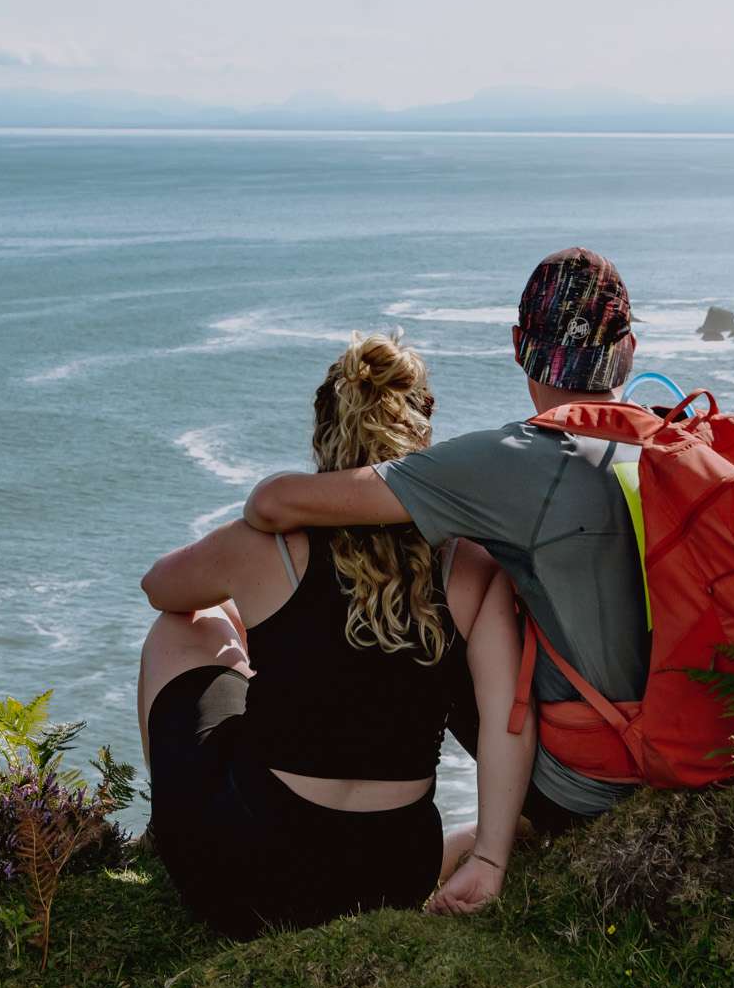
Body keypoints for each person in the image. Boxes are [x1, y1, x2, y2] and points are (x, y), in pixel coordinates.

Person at [137, 332, 533, 937]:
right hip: (393, 874)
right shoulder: (471, 566)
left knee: (189, 625)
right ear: (421, 437)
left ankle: (172, 830)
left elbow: (160, 589)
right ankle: (476, 846)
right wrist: (491, 859)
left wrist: (246, 623)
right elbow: (510, 718)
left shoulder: (266, 545)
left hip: (251, 879)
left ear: (326, 431)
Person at [245, 247, 649, 835]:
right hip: (685, 746)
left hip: (584, 787)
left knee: (455, 585)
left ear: (518, 346)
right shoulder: (672, 446)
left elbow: (273, 503)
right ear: (629, 350)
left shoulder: (510, 463)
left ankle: (380, 820)